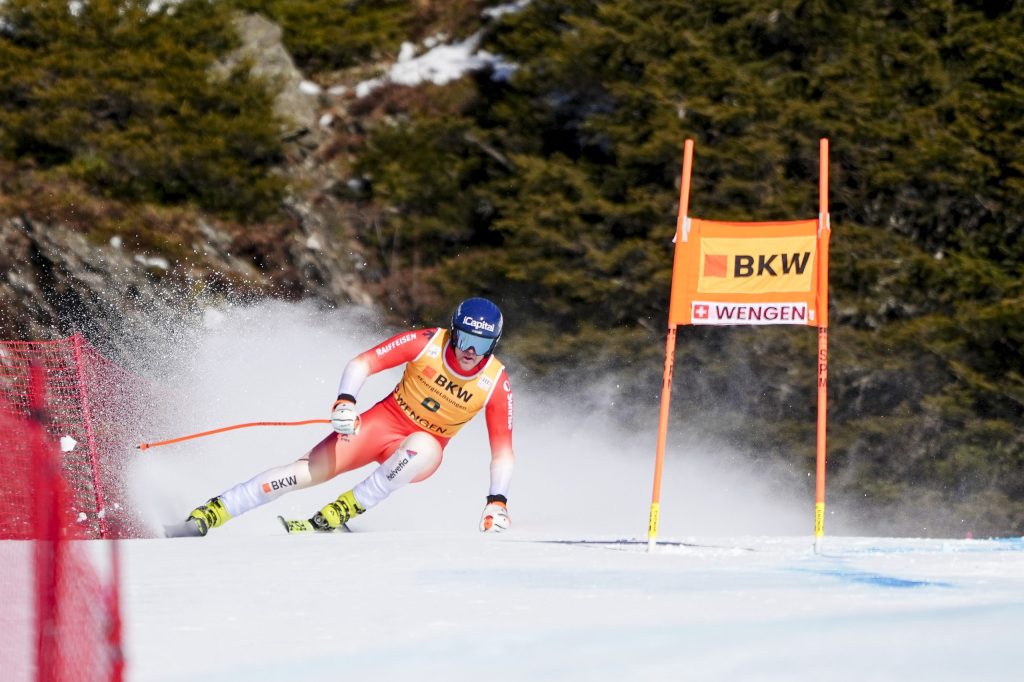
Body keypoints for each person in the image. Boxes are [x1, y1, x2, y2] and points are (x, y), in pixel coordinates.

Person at [178, 297, 515, 536]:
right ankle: (216, 510)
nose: (471, 352)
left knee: (423, 446)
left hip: (420, 452)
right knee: (304, 472)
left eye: (483, 344)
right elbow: (362, 363)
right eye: (466, 339)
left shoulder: (495, 382)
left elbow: (502, 452)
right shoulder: (427, 342)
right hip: (382, 424)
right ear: (454, 331)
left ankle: (340, 513)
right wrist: (345, 403)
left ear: (494, 344)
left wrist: (496, 502)